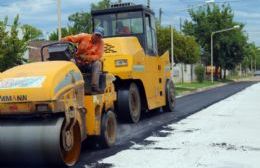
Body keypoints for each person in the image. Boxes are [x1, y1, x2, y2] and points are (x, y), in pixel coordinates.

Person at [61, 27, 104, 92]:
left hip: (89, 65)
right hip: (78, 62)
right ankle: (72, 86)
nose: (97, 37)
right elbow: (72, 38)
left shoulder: (101, 43)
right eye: (96, 35)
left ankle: (94, 86)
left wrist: (87, 58)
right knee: (71, 62)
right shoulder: (84, 36)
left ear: (101, 37)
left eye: (99, 36)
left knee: (97, 63)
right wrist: (64, 39)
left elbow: (98, 56)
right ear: (93, 33)